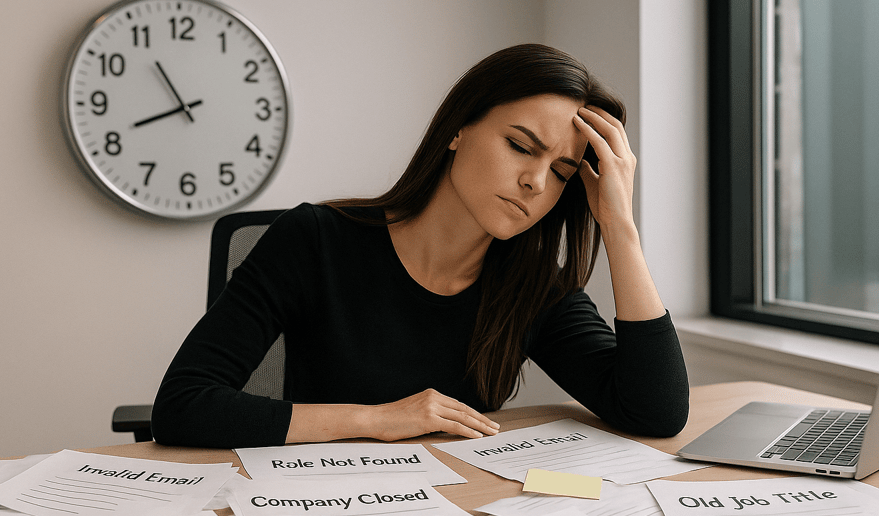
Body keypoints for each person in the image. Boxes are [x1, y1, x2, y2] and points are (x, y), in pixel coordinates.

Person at [151, 43, 689, 449]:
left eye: (563, 172)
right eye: (521, 146)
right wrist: (378, 420)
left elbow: (655, 413)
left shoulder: (532, 284)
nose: (536, 182)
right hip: (322, 506)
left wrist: (620, 226)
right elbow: (183, 405)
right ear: (458, 128)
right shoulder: (315, 240)